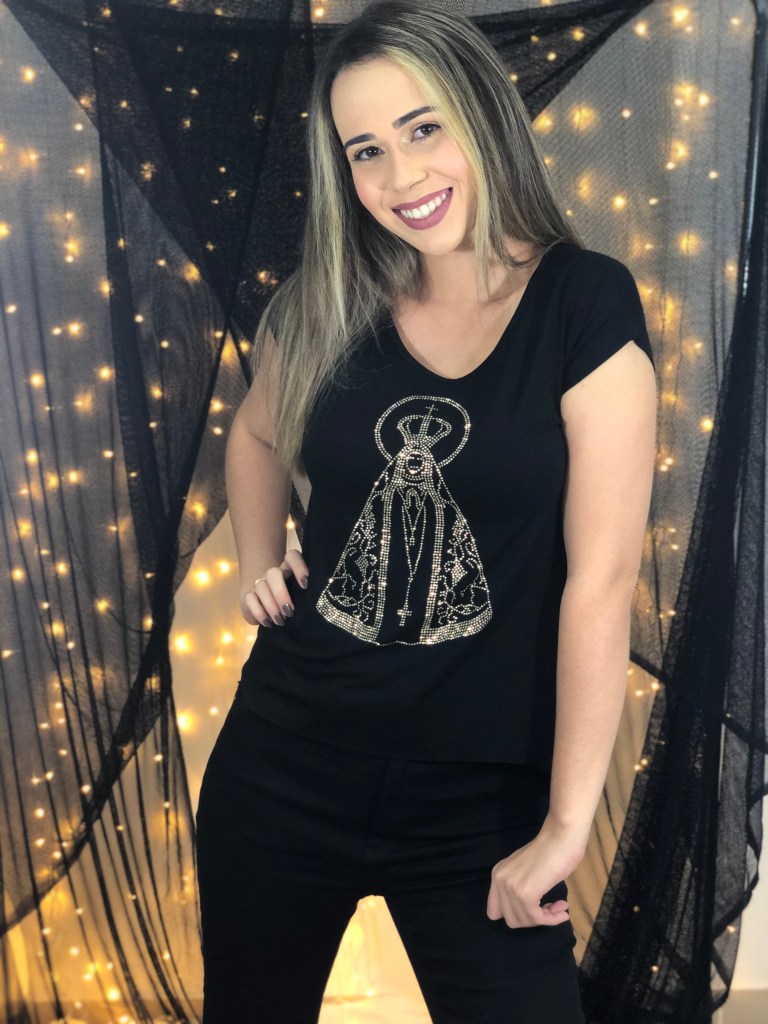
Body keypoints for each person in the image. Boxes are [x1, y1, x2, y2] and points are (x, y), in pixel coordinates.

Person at [194, 0, 657, 1021]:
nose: (400, 177)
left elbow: (601, 582)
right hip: (283, 767)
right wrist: (262, 556)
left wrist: (566, 828)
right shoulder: (326, 300)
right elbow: (257, 436)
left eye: (422, 128)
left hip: (480, 803)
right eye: (365, 150)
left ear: (481, 116)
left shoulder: (583, 303)